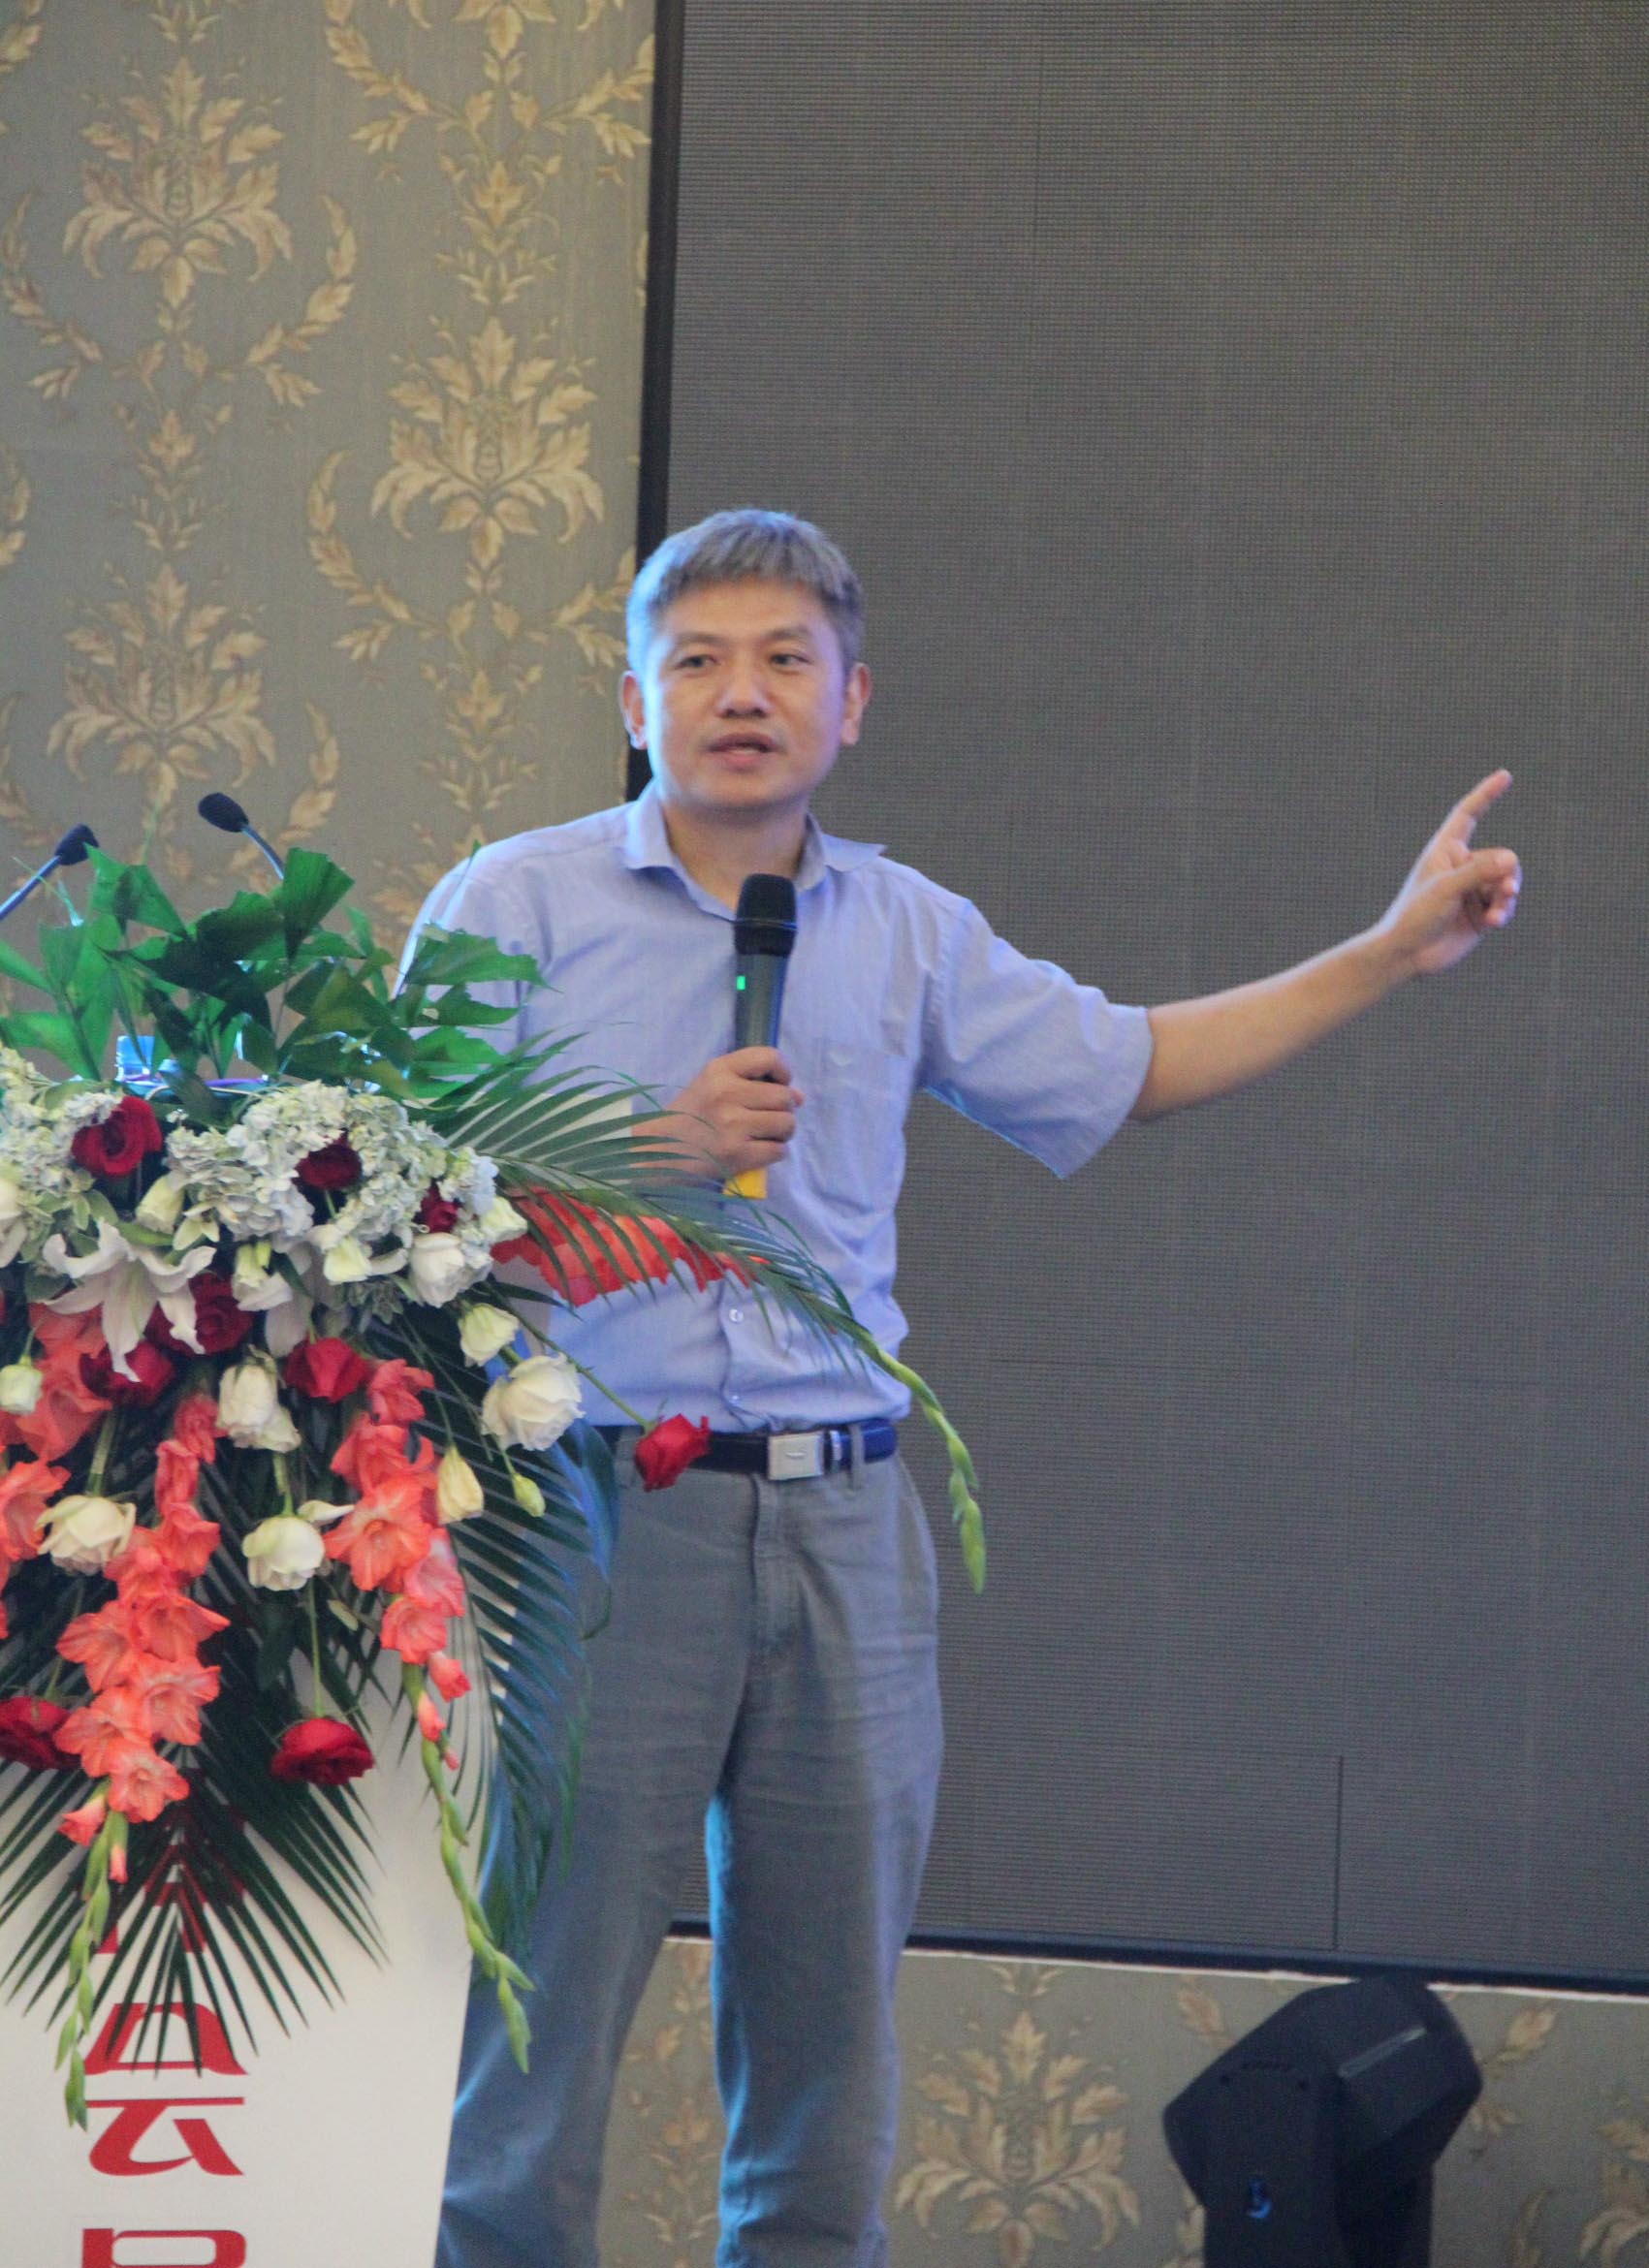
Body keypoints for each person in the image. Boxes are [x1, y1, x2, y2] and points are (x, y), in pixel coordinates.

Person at [415, 509, 1520, 2268]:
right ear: (633, 703)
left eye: (785, 659)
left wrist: (1384, 951)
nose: (741, 694)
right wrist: (651, 1145)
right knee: (540, 2021)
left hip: (846, 1520)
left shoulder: (906, 928)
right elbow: (406, 1202)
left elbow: (1132, 1065)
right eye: (696, 661)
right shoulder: (511, 903)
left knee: (827, 2050)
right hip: (602, 1512)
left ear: (852, 702)